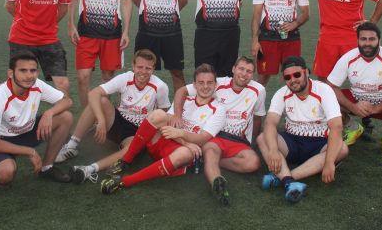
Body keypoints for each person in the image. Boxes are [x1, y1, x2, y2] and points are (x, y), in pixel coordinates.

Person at [99, 64, 226, 195]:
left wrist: (180, 133)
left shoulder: (219, 109)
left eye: (210, 83)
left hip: (179, 152)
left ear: (215, 84)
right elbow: (166, 120)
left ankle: (124, 181)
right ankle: (126, 160)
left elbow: (202, 139)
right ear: (194, 84)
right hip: (167, 140)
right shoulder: (185, 100)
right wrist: (184, 140)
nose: (205, 86)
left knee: (186, 153)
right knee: (159, 114)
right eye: (201, 82)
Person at [55, 49, 170, 184]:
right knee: (100, 100)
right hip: (118, 120)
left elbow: (163, 113)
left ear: (153, 69)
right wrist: (101, 121)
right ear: (133, 66)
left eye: (148, 68)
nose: (143, 72)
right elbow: (93, 93)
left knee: (130, 148)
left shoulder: (160, 87)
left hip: (138, 131)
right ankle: (72, 145)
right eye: (140, 67)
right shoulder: (125, 78)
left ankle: (89, 169)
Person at [171, 56, 266, 205]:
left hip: (238, 141)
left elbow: (258, 117)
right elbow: (182, 91)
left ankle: (204, 161)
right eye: (241, 69)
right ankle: (217, 183)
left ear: (252, 74)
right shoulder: (217, 83)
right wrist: (177, 115)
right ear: (233, 69)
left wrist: (254, 141)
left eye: (249, 71)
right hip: (215, 135)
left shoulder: (259, 90)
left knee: (253, 163)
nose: (244, 74)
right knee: (211, 153)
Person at [256, 56, 347, 203]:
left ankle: (284, 178)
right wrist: (273, 150)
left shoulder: (324, 90)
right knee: (262, 138)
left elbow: (336, 126)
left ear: (306, 72)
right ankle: (289, 182)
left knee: (342, 149)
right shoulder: (281, 93)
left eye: (297, 74)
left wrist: (330, 162)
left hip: (319, 144)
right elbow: (270, 123)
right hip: (292, 142)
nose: (293, 80)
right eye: (288, 77)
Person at [0, 51, 73, 187]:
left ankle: (47, 167)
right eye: (23, 70)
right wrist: (30, 152)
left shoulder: (37, 85)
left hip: (28, 132)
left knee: (66, 117)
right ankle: (2, 164)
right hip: (2, 140)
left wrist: (49, 113)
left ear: (37, 72)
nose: (29, 76)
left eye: (33, 71)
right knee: (5, 174)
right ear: (11, 73)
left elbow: (67, 101)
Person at [326, 22, 382, 155]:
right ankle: (354, 128)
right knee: (325, 102)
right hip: (356, 99)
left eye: (372, 39)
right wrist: (352, 107)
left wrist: (375, 108)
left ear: (379, 40)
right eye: (363, 39)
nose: (367, 43)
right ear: (357, 40)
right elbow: (330, 86)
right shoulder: (349, 58)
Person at [251, 0, 310, 87]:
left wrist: (294, 24)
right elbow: (257, 14)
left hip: (291, 38)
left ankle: (294, 102)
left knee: (294, 77)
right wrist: (254, 40)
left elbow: (306, 13)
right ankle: (256, 102)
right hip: (267, 38)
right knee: (262, 78)